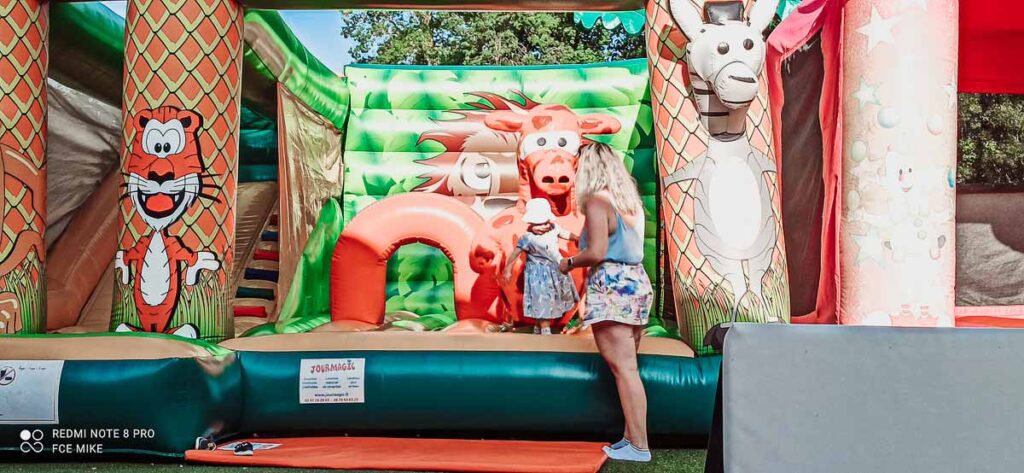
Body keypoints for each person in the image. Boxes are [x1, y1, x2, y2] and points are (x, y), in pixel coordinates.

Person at [560, 142, 653, 462]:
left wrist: (569, 262)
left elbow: (598, 252)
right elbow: (619, 242)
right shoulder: (629, 203)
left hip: (612, 286)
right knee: (629, 368)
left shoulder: (597, 201)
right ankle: (631, 438)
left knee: (624, 368)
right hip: (637, 282)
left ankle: (639, 446)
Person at [503, 198, 579, 335]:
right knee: (542, 299)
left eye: (545, 223)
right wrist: (508, 269)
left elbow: (566, 234)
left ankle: (539, 327)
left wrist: (577, 238)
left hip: (556, 270)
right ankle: (544, 328)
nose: (543, 227)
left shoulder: (554, 228)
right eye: (537, 224)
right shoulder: (527, 238)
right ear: (530, 223)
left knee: (554, 298)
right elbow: (515, 254)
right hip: (538, 275)